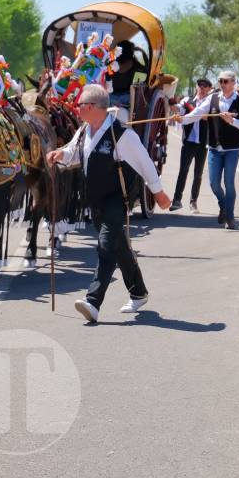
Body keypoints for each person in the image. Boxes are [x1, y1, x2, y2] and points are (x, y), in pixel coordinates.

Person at [47, 84, 170, 323]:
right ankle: (138, 292)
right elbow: (74, 151)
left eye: (80, 104)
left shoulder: (122, 134)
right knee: (119, 246)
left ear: (91, 107)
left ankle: (93, 302)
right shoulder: (84, 130)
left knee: (105, 246)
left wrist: (159, 193)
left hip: (118, 198)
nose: (77, 108)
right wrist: (59, 154)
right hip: (95, 199)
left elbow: (145, 163)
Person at [178, 70, 239, 228]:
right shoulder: (212, 99)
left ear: (233, 83)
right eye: (220, 81)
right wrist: (181, 119)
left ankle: (230, 217)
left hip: (232, 149)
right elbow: (197, 113)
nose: (222, 84)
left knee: (229, 183)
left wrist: (233, 121)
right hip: (214, 148)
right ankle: (223, 205)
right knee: (213, 184)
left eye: (226, 81)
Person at [171, 78, 212, 212]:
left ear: (209, 89)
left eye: (205, 86)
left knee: (198, 174)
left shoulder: (210, 103)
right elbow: (178, 109)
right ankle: (177, 200)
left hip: (202, 144)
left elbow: (207, 118)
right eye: (200, 85)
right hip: (188, 142)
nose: (202, 87)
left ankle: (193, 202)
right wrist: (173, 105)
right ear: (196, 86)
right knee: (183, 171)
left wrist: (193, 114)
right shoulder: (187, 101)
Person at [109, 40, 146, 108]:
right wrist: (143, 53)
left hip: (112, 97)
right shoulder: (134, 63)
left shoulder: (111, 62)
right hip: (126, 97)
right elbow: (146, 69)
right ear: (131, 52)